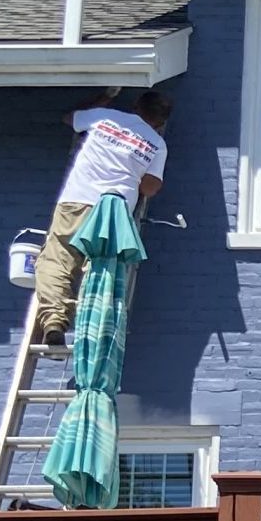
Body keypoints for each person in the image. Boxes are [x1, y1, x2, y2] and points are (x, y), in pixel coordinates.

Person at [34, 87, 171, 345]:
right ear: (161, 121)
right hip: (115, 213)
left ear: (136, 106)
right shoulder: (157, 144)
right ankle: (92, 328)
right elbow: (150, 188)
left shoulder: (104, 117)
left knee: (57, 261)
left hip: (77, 201)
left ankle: (54, 320)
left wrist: (106, 96)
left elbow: (71, 118)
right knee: (99, 270)